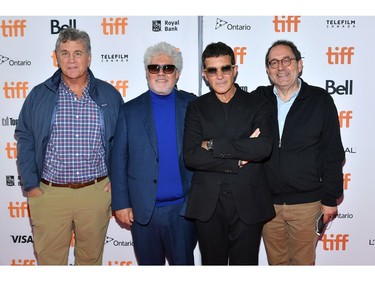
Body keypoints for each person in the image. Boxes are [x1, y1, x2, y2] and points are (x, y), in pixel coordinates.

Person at [14, 27, 124, 265]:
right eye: (65, 53)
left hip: (95, 194)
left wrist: (117, 181)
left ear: (89, 57)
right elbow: (25, 137)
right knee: (50, 263)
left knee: (90, 262)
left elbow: (122, 141)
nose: (71, 60)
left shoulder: (109, 94)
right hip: (50, 194)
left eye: (78, 52)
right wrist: (32, 186)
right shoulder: (39, 95)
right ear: (57, 57)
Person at [251, 39, 345, 265]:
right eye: (273, 63)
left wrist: (330, 198)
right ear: (267, 70)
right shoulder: (257, 99)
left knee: (302, 265)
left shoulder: (320, 100)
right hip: (267, 205)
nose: (280, 67)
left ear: (299, 64)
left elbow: (332, 152)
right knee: (277, 264)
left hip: (307, 204)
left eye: (286, 60)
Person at [183, 41, 275, 265]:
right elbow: (192, 155)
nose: (220, 75)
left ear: (235, 69)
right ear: (205, 74)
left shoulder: (258, 104)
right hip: (208, 205)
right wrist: (238, 158)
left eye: (225, 68)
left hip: (249, 201)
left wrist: (212, 144)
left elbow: (262, 147)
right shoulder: (196, 107)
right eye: (212, 70)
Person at [110, 41, 197, 265]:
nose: (160, 73)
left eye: (167, 68)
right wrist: (120, 203)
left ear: (177, 74)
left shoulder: (194, 105)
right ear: (146, 72)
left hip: (183, 212)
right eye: (154, 68)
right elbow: (118, 160)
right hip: (143, 213)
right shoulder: (129, 111)